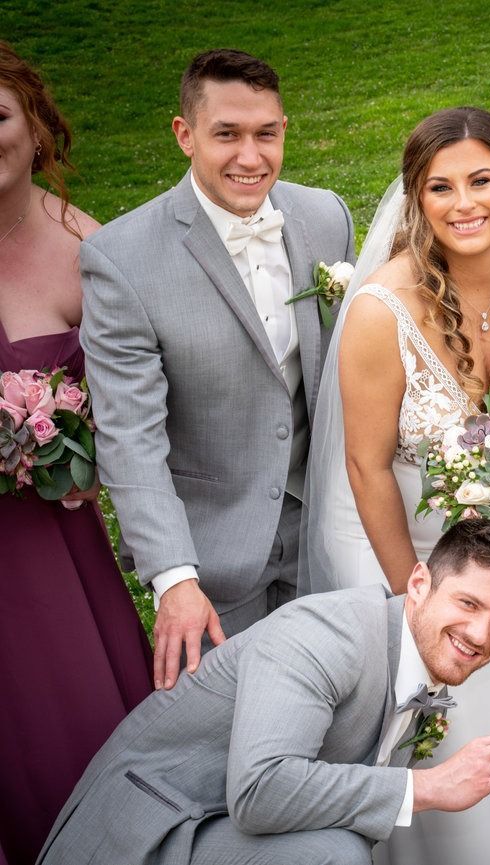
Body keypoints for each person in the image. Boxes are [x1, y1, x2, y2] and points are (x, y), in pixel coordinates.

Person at [303, 106, 490, 864]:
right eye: (441, 187)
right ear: (417, 199)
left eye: (480, 180)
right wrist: (413, 587)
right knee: (437, 714)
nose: (464, 203)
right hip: (397, 538)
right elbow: (365, 466)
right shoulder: (382, 311)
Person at [37, 520, 490, 865]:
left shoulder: (415, 649)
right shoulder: (325, 637)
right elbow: (261, 791)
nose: (480, 634)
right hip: (148, 834)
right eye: (468, 603)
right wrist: (429, 788)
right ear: (418, 583)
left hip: (217, 821)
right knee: (336, 855)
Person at [79, 49, 355, 691]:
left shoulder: (325, 217)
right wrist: (175, 578)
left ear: (285, 127)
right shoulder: (120, 258)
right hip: (211, 556)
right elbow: (130, 436)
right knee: (225, 739)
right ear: (185, 134)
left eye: (266, 133)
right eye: (226, 134)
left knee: (336, 716)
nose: (250, 157)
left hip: (327, 534)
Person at [0, 42, 152, 865]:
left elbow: (139, 411)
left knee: (67, 743)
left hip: (51, 554)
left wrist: (74, 450)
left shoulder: (89, 250)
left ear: (36, 129)